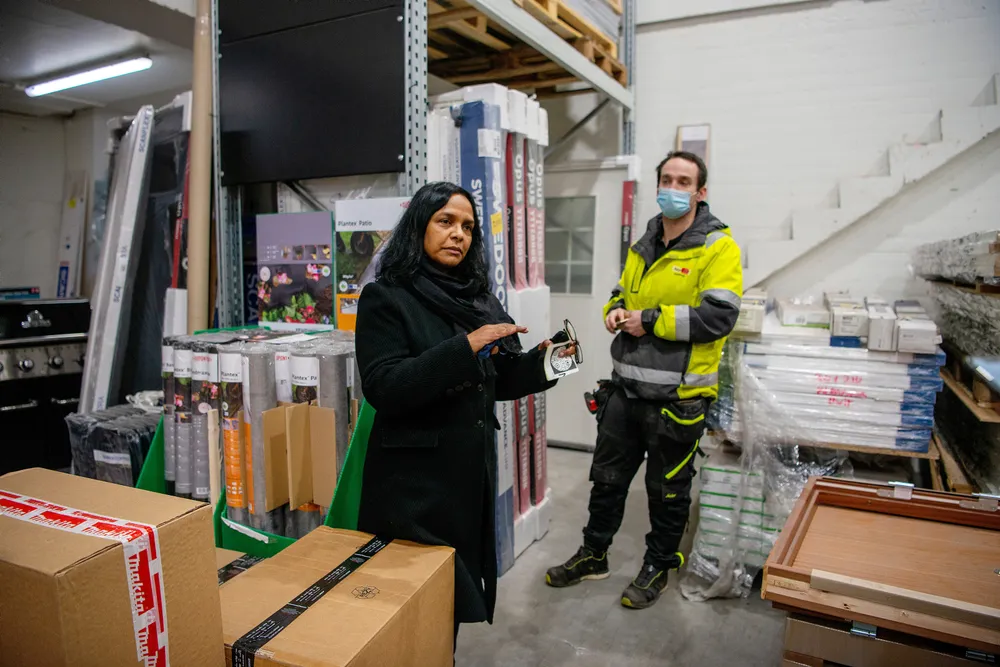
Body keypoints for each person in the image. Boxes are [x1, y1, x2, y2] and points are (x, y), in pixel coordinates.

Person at [354, 181, 575, 654]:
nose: (459, 234)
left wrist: (549, 362)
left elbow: (499, 379)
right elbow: (384, 387)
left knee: (445, 613)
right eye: (446, 221)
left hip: (467, 483)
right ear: (419, 226)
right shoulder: (386, 298)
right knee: (409, 613)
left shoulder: (478, 299)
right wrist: (465, 348)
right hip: (413, 492)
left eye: (468, 227)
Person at [545, 151, 743, 610]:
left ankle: (658, 566)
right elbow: (622, 292)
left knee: (667, 492)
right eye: (666, 179)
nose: (673, 188)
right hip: (625, 390)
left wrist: (648, 320)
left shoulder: (717, 247)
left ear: (700, 192)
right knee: (607, 481)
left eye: (683, 181)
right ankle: (593, 555)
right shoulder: (645, 242)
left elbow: (718, 316)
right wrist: (615, 311)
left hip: (679, 398)